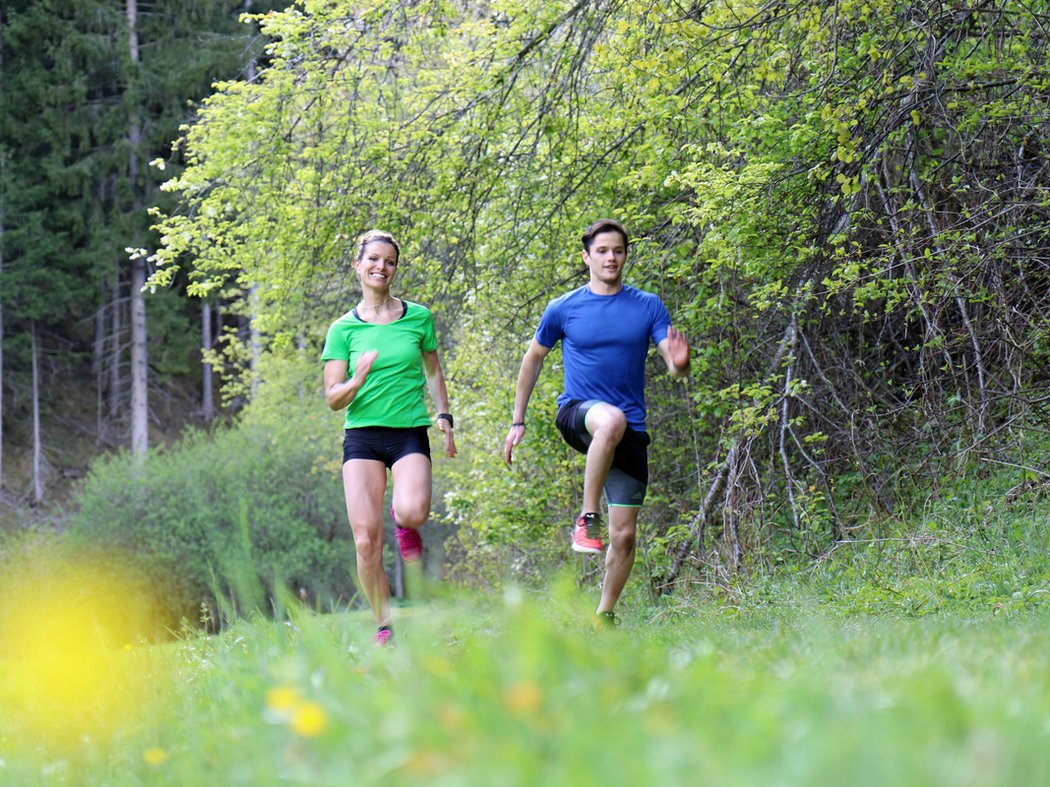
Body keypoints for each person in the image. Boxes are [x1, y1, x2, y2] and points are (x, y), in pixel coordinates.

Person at [503, 219, 690, 627]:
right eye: (602, 251)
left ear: (625, 256)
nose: (611, 258)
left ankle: (604, 615)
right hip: (579, 412)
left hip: (630, 430)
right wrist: (518, 420)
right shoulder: (564, 308)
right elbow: (533, 358)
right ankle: (587, 518)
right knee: (609, 420)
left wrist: (679, 362)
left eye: (618, 251)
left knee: (624, 536)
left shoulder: (647, 306)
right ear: (587, 256)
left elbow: (673, 365)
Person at [322, 230, 456, 646]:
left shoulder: (418, 317)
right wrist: (357, 378)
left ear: (395, 268)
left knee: (412, 511)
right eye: (373, 260)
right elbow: (332, 398)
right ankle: (384, 625)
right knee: (365, 541)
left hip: (409, 432)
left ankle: (405, 525)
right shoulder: (342, 329)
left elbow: (434, 371)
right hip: (362, 436)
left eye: (390, 261)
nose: (381, 267)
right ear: (357, 265)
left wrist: (444, 414)